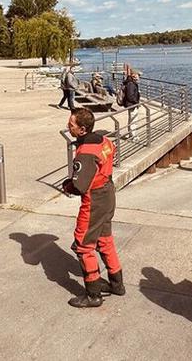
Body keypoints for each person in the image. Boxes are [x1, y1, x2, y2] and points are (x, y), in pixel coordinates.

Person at [62, 108, 125, 308]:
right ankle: (117, 284)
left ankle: (93, 294)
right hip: (108, 192)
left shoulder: (85, 152)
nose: (67, 126)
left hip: (95, 199)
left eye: (71, 124)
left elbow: (80, 185)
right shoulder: (103, 140)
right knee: (105, 240)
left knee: (83, 245)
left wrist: (68, 185)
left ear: (81, 129)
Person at [122, 70, 141, 139]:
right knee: (133, 120)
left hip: (131, 104)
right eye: (139, 75)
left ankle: (131, 134)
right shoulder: (131, 84)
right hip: (132, 105)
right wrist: (136, 102)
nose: (139, 77)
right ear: (135, 76)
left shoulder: (131, 83)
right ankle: (133, 136)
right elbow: (130, 96)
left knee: (132, 119)